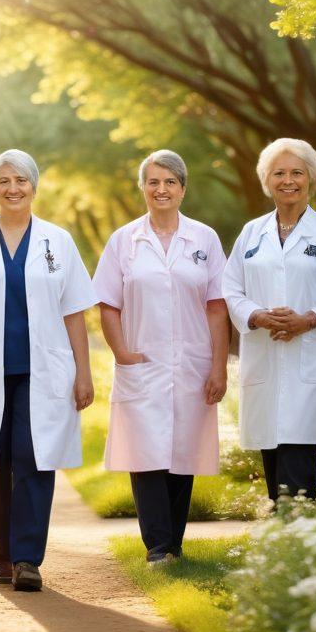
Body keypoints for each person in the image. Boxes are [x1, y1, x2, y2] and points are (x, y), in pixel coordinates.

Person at [0, 150, 95, 592]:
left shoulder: (57, 241)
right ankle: (4, 552)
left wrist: (84, 372)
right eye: (4, 181)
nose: (13, 188)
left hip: (42, 370)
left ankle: (28, 558)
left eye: (21, 180)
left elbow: (74, 311)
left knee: (34, 455)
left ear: (34, 186)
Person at [92, 150, 229, 564]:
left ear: (183, 189)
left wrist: (218, 366)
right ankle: (157, 547)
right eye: (153, 181)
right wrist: (121, 352)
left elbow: (217, 306)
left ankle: (174, 546)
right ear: (143, 188)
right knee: (145, 452)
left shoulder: (204, 239)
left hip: (192, 362)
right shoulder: (124, 240)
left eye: (170, 182)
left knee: (184, 450)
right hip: (143, 361)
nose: (161, 189)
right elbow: (108, 304)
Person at [222, 137, 316, 504]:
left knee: (298, 456)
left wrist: (308, 320)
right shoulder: (251, 233)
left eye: (297, 173)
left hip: (308, 361)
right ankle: (284, 527)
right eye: (278, 173)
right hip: (265, 357)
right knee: (272, 453)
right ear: (267, 180)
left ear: (311, 178)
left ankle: (293, 527)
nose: (288, 181)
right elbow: (230, 288)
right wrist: (258, 316)